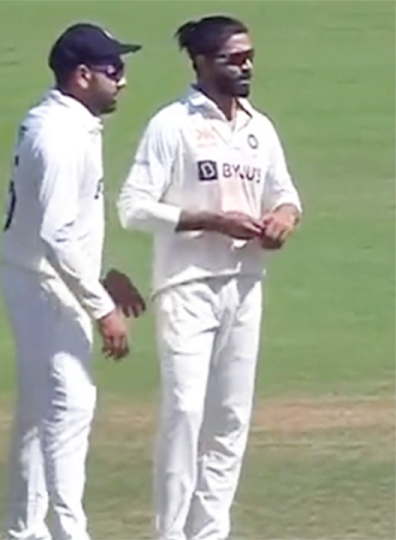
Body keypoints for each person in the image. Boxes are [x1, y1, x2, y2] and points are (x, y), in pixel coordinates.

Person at [116, 15, 303, 540]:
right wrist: (209, 220)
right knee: (184, 411)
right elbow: (132, 208)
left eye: (249, 56)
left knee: (230, 419)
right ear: (201, 62)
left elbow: (286, 194)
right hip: (188, 284)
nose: (246, 66)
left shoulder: (258, 128)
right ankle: (170, 533)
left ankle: (209, 533)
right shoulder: (172, 124)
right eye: (233, 58)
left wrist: (283, 219)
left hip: (244, 285)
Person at [0, 22, 147, 540]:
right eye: (114, 70)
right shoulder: (58, 135)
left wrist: (103, 273)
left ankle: (23, 530)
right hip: (43, 282)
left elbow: (63, 221)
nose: (123, 80)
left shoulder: (65, 122)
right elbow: (57, 233)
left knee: (41, 410)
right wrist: (102, 307)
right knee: (69, 404)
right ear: (82, 76)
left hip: (42, 275)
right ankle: (66, 532)